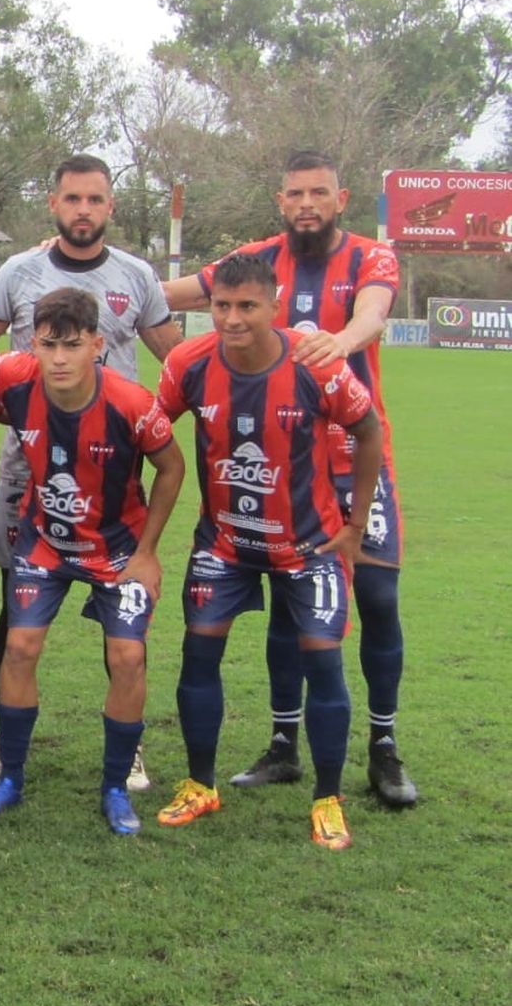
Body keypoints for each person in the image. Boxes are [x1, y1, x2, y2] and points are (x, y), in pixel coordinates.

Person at [163, 149, 415, 805]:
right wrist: (104, 277)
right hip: (283, 454)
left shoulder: (369, 256)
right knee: (286, 595)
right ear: (281, 201)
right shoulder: (257, 258)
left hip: (354, 456)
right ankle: (284, 744)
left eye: (319, 192)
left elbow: (374, 311)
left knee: (379, 599)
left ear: (341, 197)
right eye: (295, 193)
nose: (307, 203)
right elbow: (175, 294)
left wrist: (345, 340)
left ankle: (384, 747)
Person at [0, 154, 181, 789]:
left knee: (123, 624)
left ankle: (128, 749)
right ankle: (4, 735)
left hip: (116, 473)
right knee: (15, 605)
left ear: (110, 206)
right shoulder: (19, 271)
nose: (83, 210)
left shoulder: (137, 276)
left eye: (95, 200)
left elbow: (176, 357)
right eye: (72, 199)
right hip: (30, 469)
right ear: (55, 203)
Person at [153, 253, 382, 850]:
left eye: (247, 306)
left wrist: (355, 526)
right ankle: (200, 784)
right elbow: (149, 430)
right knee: (198, 655)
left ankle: (328, 800)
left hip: (309, 546)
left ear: (274, 306)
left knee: (323, 660)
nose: (232, 319)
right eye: (222, 306)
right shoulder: (188, 363)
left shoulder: (315, 364)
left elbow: (368, 432)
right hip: (223, 544)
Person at [0, 288, 185, 834]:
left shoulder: (132, 403)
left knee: (128, 657)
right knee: (18, 647)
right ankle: (11, 778)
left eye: (71, 345)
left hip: (118, 551)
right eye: (47, 345)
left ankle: (114, 786)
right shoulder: (17, 378)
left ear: (97, 344)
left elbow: (173, 468)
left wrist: (149, 552)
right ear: (33, 345)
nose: (58, 358)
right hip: (45, 542)